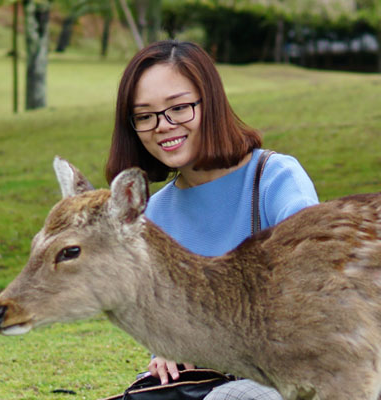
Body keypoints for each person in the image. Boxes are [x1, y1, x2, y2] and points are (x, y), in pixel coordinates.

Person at [105, 40, 319, 400]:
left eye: (179, 108)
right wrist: (166, 353)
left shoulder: (275, 179)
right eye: (144, 116)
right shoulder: (152, 217)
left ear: (212, 104)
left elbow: (313, 294)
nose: (163, 125)